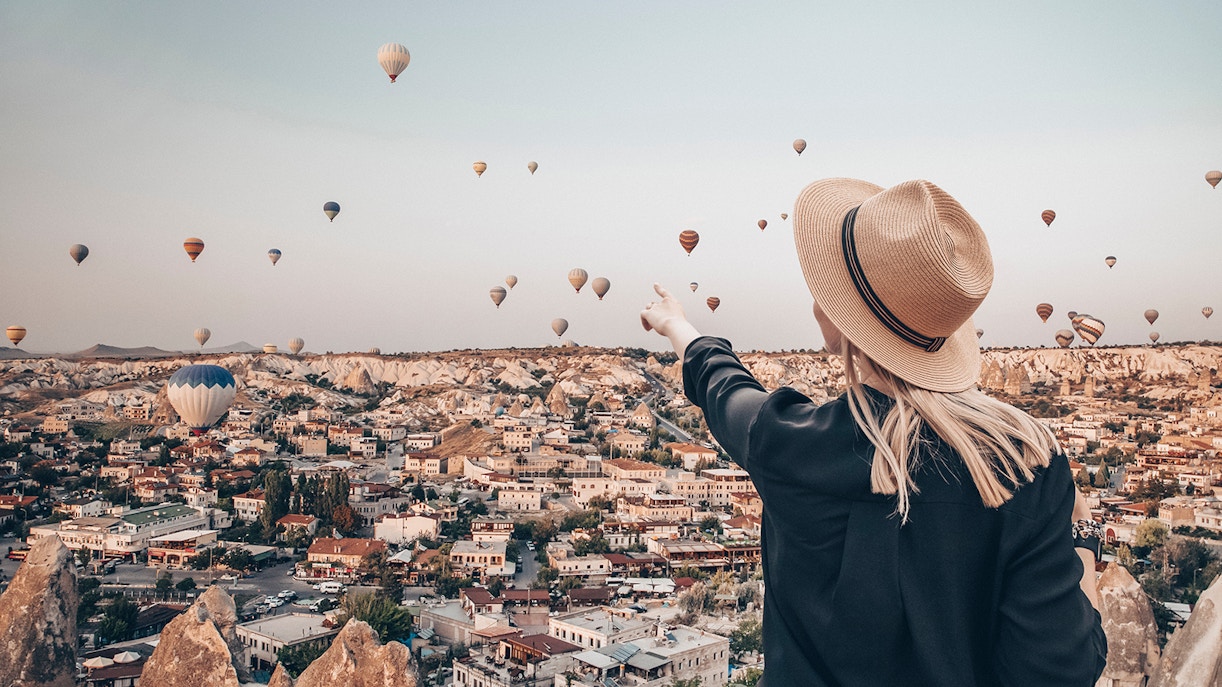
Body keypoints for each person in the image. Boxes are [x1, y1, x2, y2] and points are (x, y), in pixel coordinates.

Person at [640, 178, 1107, 686]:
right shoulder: (1027, 464)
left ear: (839, 324)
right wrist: (1081, 538)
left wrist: (677, 328)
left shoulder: (790, 442)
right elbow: (1064, 667)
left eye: (826, 291)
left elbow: (725, 388)